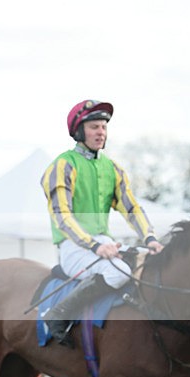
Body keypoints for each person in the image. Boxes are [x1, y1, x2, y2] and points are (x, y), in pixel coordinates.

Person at [40, 99, 164, 346]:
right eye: (94, 126)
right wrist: (94, 246)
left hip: (105, 243)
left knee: (150, 263)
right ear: (78, 131)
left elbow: (131, 208)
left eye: (103, 127)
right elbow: (62, 216)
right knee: (119, 272)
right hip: (73, 247)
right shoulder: (63, 165)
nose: (100, 132)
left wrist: (150, 238)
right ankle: (58, 314)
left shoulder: (113, 168)